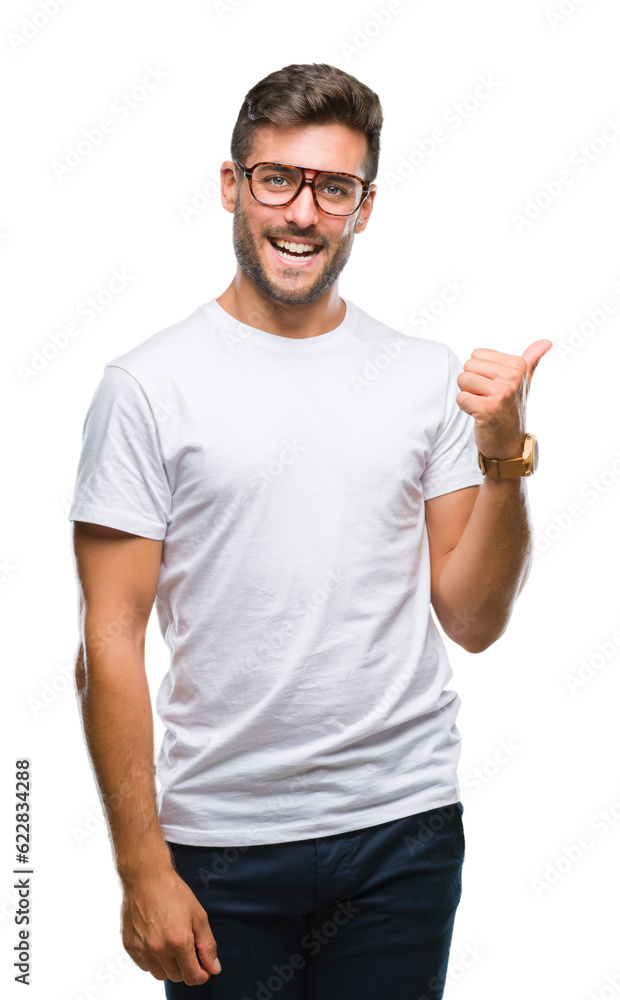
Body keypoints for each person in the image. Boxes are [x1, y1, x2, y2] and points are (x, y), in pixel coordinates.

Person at [68, 62, 551, 999]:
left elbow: (476, 619)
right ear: (231, 186)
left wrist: (504, 455)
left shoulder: (424, 376)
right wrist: (141, 867)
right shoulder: (146, 387)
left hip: (401, 832)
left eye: (334, 188)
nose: (302, 213)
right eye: (278, 178)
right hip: (221, 846)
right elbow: (107, 640)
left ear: (363, 208)